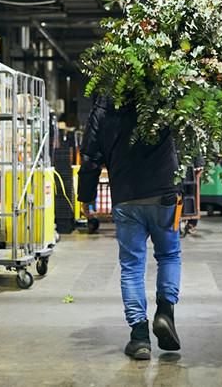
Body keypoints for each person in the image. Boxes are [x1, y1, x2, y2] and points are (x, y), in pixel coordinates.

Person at [78, 95, 181, 361]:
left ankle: (139, 338)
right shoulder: (166, 91)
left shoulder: (104, 105)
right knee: (168, 255)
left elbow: (90, 154)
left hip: (125, 196)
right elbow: (187, 136)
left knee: (132, 266)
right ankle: (165, 312)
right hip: (164, 193)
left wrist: (85, 196)